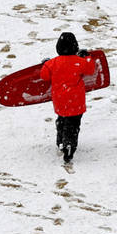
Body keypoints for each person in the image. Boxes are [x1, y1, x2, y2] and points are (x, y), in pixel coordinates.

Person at [39, 31, 97, 164]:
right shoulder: (80, 62)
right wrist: (86, 57)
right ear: (75, 47)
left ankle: (60, 141)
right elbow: (90, 70)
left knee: (62, 120)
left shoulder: (52, 64)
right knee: (73, 124)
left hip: (60, 101)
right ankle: (69, 145)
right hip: (76, 101)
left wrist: (46, 64)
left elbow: (44, 76)